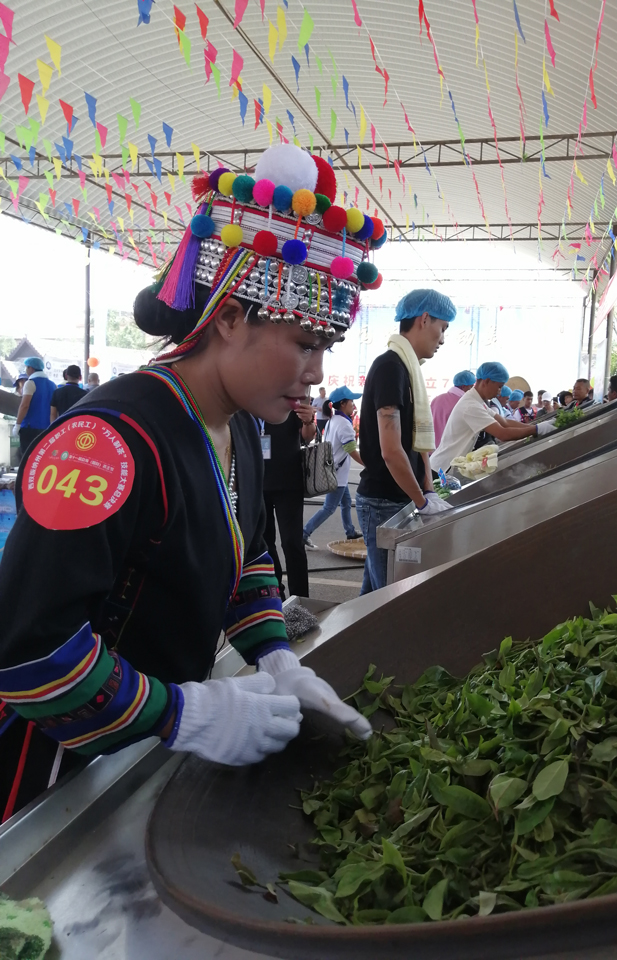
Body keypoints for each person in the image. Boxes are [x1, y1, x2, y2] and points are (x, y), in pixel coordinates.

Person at [0, 143, 372, 819]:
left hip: (135, 754)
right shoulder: (107, 442)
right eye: (305, 343)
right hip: (48, 775)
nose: (317, 372)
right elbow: (30, 649)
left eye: (325, 348)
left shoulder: (245, 426)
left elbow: (249, 552)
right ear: (230, 318)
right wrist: (179, 711)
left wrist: (277, 658)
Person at [356, 289, 455, 595]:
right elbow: (391, 450)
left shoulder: (409, 370)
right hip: (382, 500)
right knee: (387, 596)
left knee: (375, 590)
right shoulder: (391, 368)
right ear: (424, 319)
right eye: (442, 329)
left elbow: (418, 445)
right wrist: (422, 501)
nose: (442, 340)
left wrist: (427, 488)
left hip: (399, 499)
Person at [430, 363, 554, 474]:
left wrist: (537, 426)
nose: (500, 392)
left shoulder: (478, 401)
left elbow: (505, 422)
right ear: (486, 381)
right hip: (442, 468)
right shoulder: (470, 406)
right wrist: (537, 429)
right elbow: (503, 434)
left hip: (450, 464)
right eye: (499, 386)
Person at [260, 401, 316, 596]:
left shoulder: (292, 399)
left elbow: (307, 437)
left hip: (289, 483)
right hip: (257, 483)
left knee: (292, 543)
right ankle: (277, 594)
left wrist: (309, 421)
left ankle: (301, 599)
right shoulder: (250, 398)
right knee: (265, 544)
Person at [303, 386, 363, 548]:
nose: (353, 404)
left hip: (335, 470)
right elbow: (350, 449)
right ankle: (304, 533)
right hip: (336, 474)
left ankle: (350, 531)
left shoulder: (333, 420)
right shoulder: (344, 424)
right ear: (342, 404)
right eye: (351, 401)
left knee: (345, 503)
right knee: (329, 508)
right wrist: (368, 465)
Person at [13, 357, 55, 457]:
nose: (26, 371)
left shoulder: (30, 383)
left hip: (30, 428)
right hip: (47, 428)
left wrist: (18, 424)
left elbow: (24, 405)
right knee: (42, 458)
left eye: (26, 368)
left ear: (31, 368)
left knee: (27, 458)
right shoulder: (53, 385)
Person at [431, 370, 476, 446]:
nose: (473, 390)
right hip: (450, 449)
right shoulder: (463, 403)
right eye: (471, 386)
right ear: (464, 386)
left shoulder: (437, 399)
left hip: (431, 448)